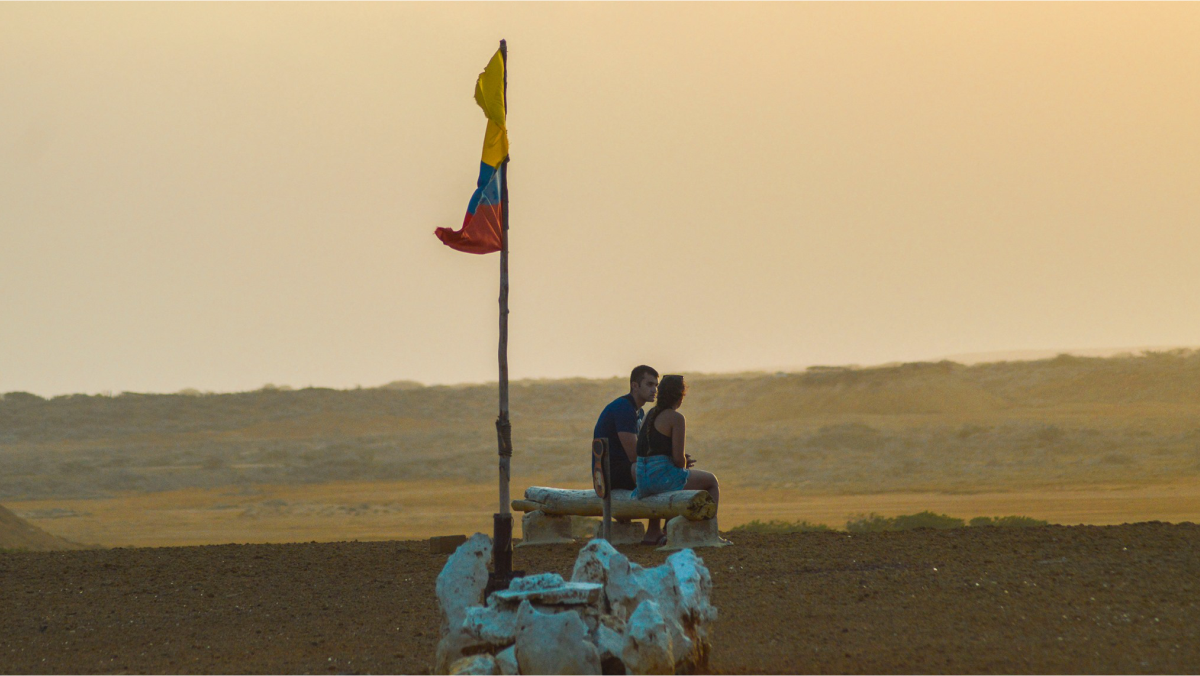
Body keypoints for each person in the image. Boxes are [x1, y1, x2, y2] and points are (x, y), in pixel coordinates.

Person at [633, 374, 722, 545]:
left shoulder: (649, 414)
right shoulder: (676, 418)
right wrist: (684, 462)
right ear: (680, 396)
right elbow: (678, 460)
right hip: (660, 479)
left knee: (672, 477)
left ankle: (653, 533)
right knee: (711, 481)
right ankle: (708, 532)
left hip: (642, 479)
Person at [592, 365, 662, 544]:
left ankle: (660, 528)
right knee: (650, 471)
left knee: (656, 468)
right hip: (608, 472)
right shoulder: (624, 408)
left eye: (656, 385)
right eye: (649, 384)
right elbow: (634, 454)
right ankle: (653, 531)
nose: (655, 389)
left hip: (623, 468)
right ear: (634, 386)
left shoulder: (639, 412)